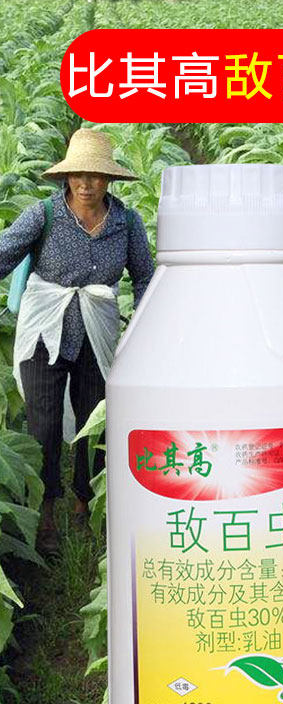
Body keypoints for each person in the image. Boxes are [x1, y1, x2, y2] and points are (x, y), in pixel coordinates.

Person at [0, 128, 154, 551]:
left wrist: (143, 327)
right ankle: (46, 510)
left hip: (96, 334)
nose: (86, 183)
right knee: (43, 426)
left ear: (109, 179)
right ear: (66, 177)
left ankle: (86, 503)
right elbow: (4, 253)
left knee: (95, 421)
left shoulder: (126, 223)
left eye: (96, 175)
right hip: (44, 333)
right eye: (79, 175)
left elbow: (144, 276)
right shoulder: (44, 214)